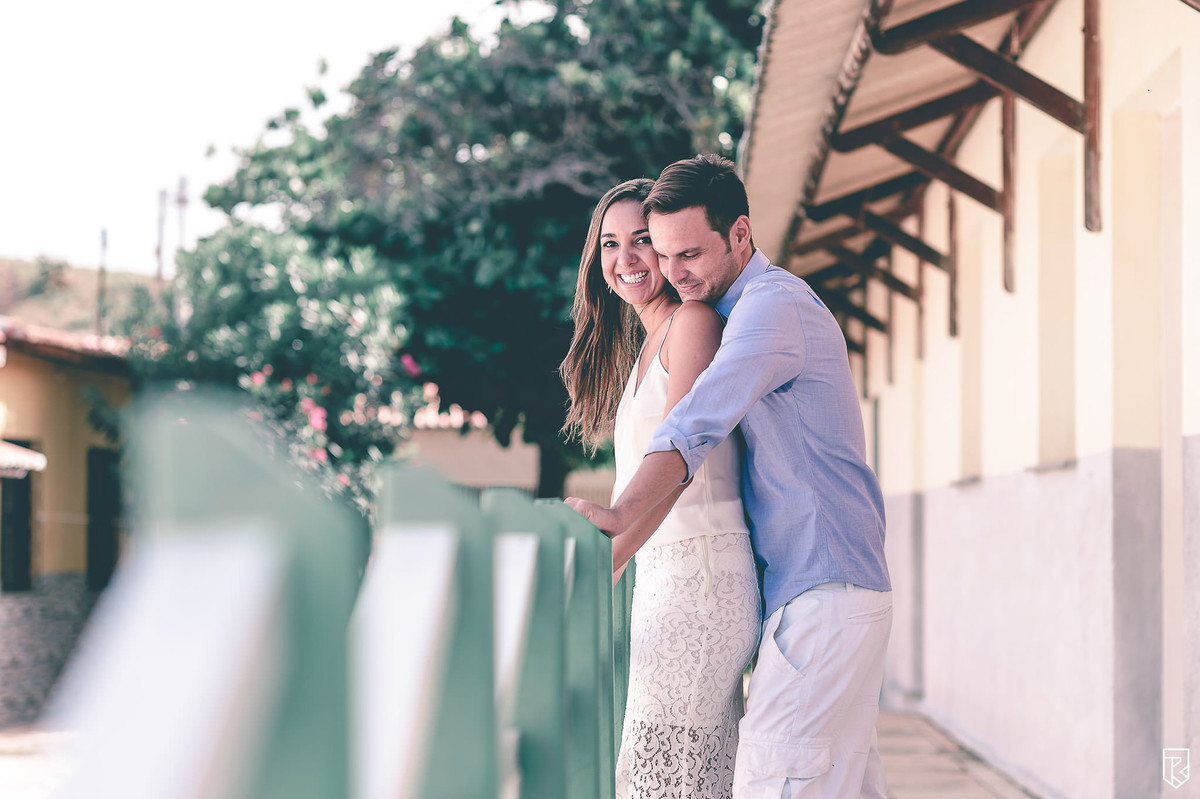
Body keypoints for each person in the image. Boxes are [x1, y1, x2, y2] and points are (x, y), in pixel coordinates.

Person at [565, 155, 893, 799]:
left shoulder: (770, 308)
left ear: (740, 235)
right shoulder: (736, 310)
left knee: (773, 781)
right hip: (813, 588)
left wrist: (619, 525)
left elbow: (696, 426)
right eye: (665, 255)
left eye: (687, 254)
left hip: (823, 586)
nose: (672, 271)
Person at [560, 178, 761, 798]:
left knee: (666, 779)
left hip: (700, 582)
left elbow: (682, 467)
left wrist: (603, 563)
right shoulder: (649, 343)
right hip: (663, 581)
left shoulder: (693, 323)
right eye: (611, 244)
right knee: (664, 776)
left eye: (643, 241)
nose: (627, 260)